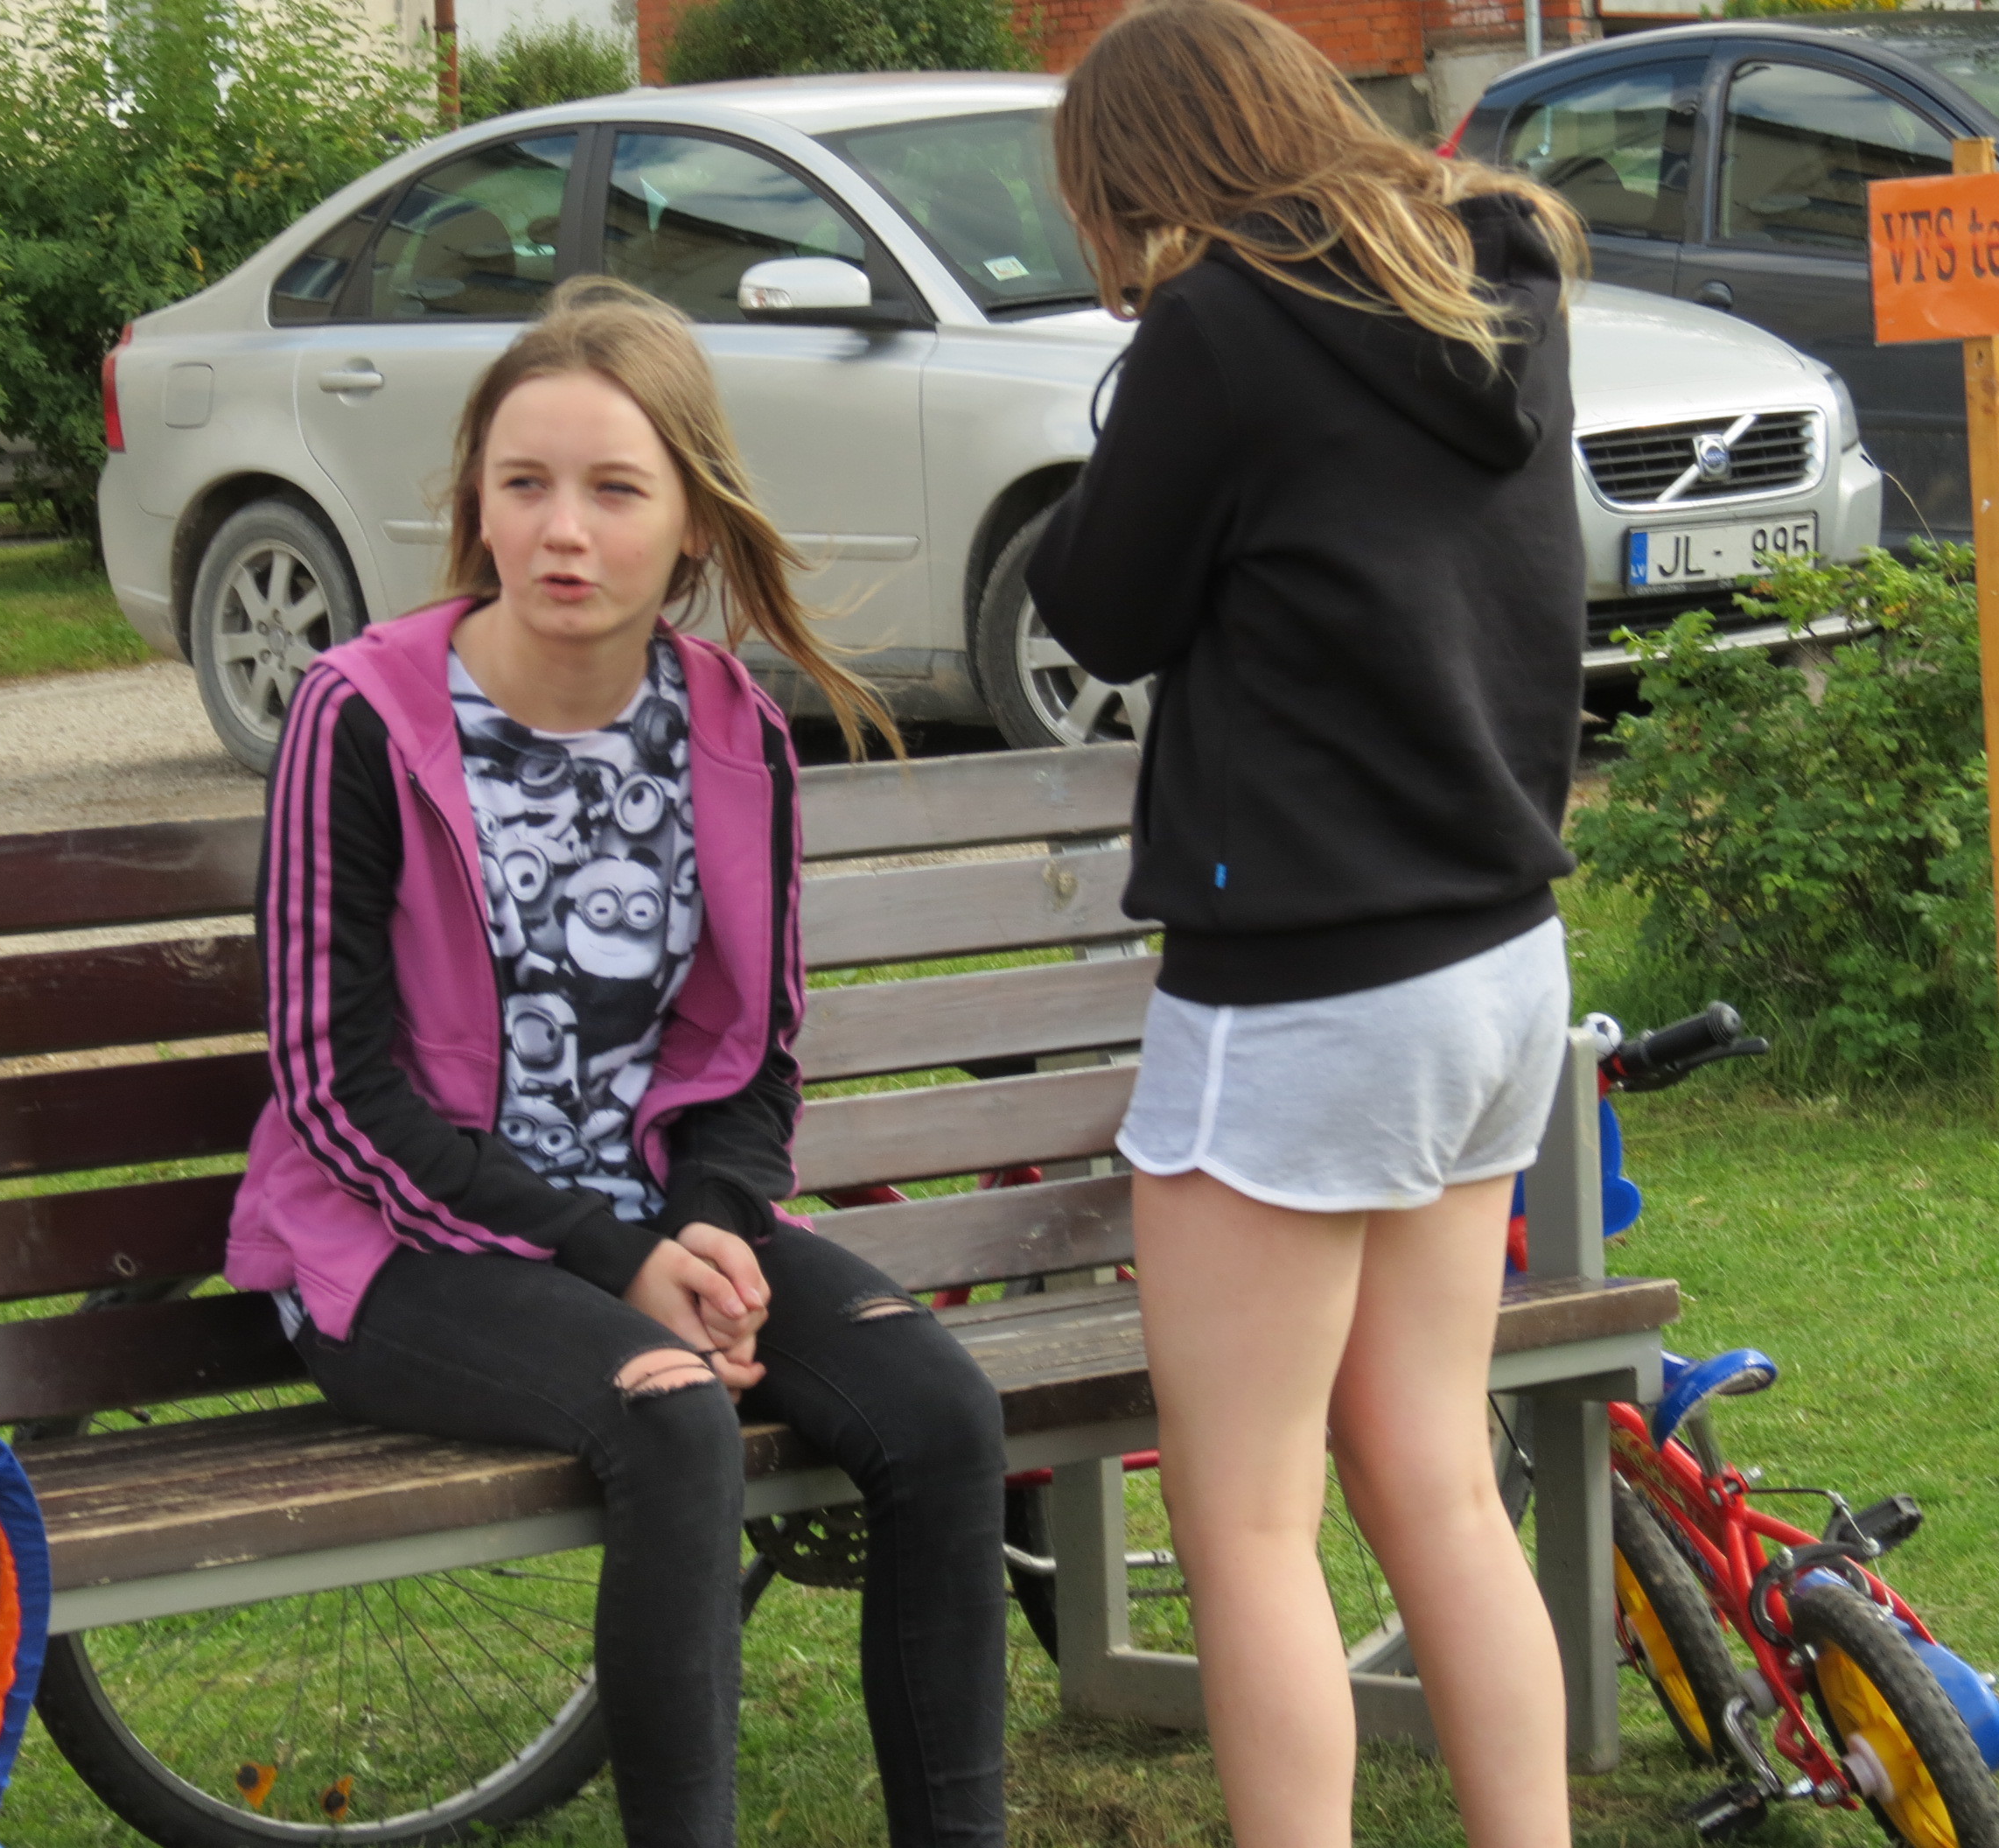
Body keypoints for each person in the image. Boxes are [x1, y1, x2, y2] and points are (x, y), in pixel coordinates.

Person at [225, 276, 1010, 1848]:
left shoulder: (732, 727)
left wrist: (707, 1227)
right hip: (398, 1248)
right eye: (524, 484)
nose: (563, 531)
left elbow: (752, 1052)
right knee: (670, 1413)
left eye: (614, 490)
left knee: (942, 1412)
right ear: (476, 504)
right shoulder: (358, 717)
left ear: (693, 522)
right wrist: (620, 1261)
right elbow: (333, 1085)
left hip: (647, 1223)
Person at [1025, 5, 1590, 1845]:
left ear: (1142, 178)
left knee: (1246, 1516)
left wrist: (1127, 401)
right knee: (1436, 1477)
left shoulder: (1219, 328)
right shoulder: (1497, 280)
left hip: (1306, 988)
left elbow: (1104, 608)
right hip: (1495, 957)